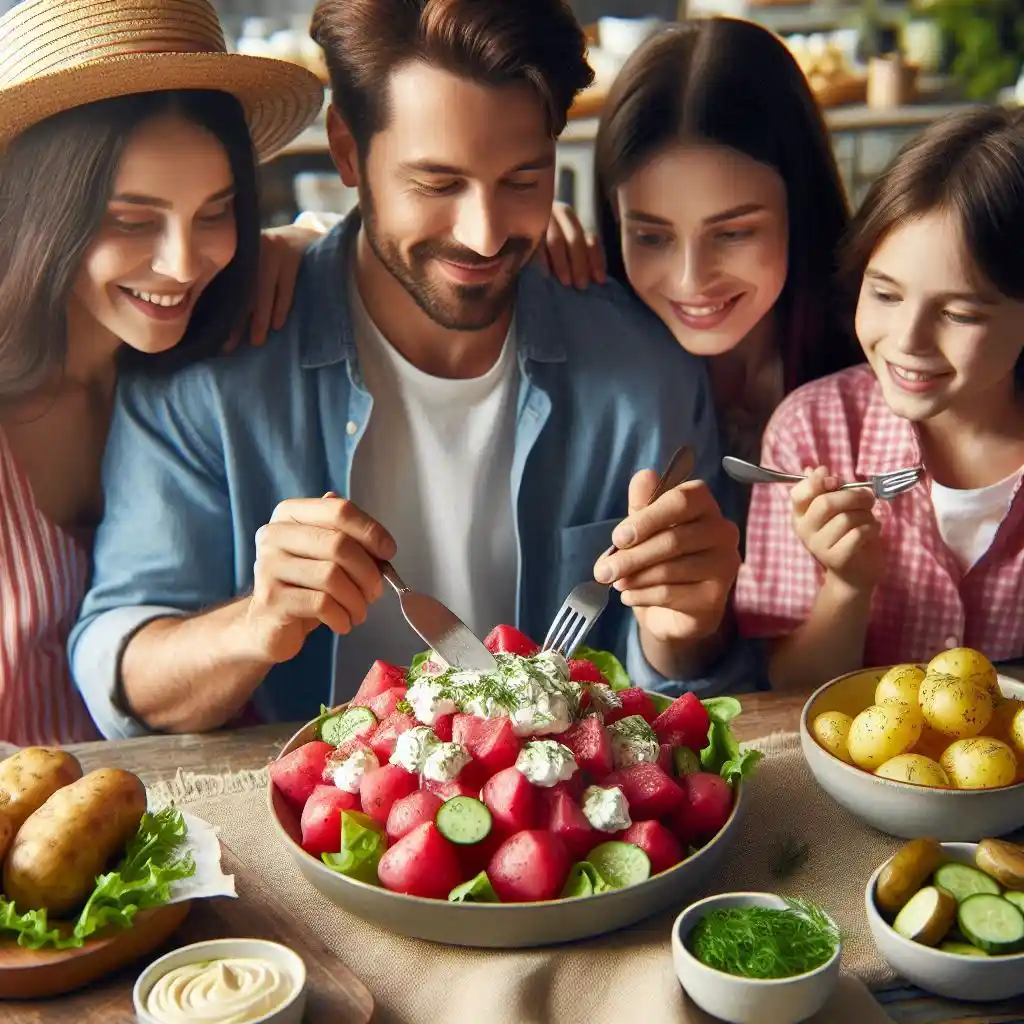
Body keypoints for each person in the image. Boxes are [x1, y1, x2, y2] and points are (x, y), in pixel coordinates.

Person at [69, 0, 743, 740]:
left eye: (523, 179)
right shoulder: (208, 367)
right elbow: (121, 671)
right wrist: (254, 625)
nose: (484, 234)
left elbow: (694, 696)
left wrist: (685, 628)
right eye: (437, 184)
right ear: (348, 151)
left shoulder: (646, 372)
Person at [0, 0, 324, 744]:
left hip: (202, 825)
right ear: (38, 212)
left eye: (215, 212)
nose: (183, 264)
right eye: (134, 220)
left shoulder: (221, 350)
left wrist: (308, 239)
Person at [735, 107, 1024, 690]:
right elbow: (789, 696)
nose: (908, 341)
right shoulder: (811, 432)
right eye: (886, 294)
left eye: (958, 312)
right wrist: (848, 582)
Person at [542, 18, 861, 529]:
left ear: (800, 208)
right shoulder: (593, 341)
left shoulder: (876, 358)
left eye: (732, 233)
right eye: (651, 236)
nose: (691, 280)